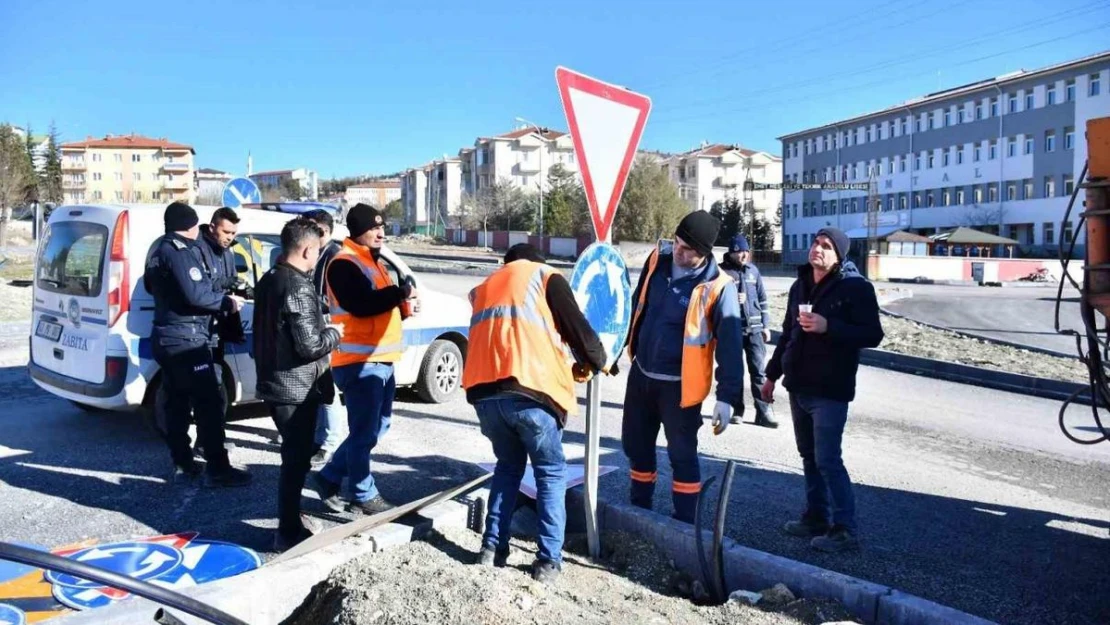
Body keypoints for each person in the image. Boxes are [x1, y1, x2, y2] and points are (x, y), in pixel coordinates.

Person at [463, 243, 608, 585]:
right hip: (531, 392)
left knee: (508, 468)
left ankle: (491, 549)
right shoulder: (544, 276)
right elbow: (577, 328)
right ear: (534, 262)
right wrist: (598, 360)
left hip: (485, 396)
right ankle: (547, 562)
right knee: (550, 473)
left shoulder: (486, 287)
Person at [762, 227, 884, 553]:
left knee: (828, 459)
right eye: (816, 242)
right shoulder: (800, 285)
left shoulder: (855, 288)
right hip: (798, 385)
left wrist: (829, 326)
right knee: (809, 457)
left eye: (826, 246)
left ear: (839, 256)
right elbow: (787, 334)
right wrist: (771, 376)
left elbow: (873, 334)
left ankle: (845, 530)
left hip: (830, 389)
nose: (818, 248)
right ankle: (817, 516)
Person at [621, 211, 745, 524]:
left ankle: (685, 525)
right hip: (642, 375)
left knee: (682, 456)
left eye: (688, 248)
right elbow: (638, 307)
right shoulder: (657, 261)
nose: (678, 250)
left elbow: (731, 347)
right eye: (677, 242)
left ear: (704, 253)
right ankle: (638, 511)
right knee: (636, 446)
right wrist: (615, 348)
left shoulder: (718, 287)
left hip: (680, 387)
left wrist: (728, 397)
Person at [310, 204, 419, 516]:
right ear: (357, 231)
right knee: (364, 431)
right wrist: (397, 295)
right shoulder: (344, 263)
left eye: (382, 226)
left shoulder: (375, 262)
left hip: (381, 358)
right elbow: (360, 305)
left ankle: (330, 477)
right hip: (357, 362)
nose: (380, 232)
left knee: (377, 427)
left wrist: (404, 305)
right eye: (373, 228)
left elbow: (382, 306)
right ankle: (362, 492)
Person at [143, 201, 250, 487]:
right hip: (187, 339)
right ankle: (218, 468)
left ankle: (183, 462)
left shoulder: (156, 250)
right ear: (190, 226)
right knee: (209, 402)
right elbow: (197, 295)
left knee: (176, 402)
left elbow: (152, 288)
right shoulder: (180, 252)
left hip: (166, 336)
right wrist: (228, 302)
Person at [253, 217, 343, 551]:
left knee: (294, 457)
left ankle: (291, 519)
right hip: (296, 388)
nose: (319, 257)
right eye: (318, 251)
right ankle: (288, 531)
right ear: (307, 249)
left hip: (276, 381)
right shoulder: (298, 286)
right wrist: (335, 333)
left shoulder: (270, 278)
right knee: (296, 460)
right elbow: (309, 346)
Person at [719, 233, 778, 428]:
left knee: (759, 372)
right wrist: (732, 300)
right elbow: (714, 301)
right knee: (734, 372)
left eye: (745, 251)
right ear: (731, 253)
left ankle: (764, 413)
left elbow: (762, 300)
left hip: (755, 331)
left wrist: (766, 326)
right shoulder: (722, 273)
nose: (743, 255)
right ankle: (737, 410)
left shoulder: (753, 271)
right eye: (739, 252)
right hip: (732, 330)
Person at [303, 209, 347, 470]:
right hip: (318, 328)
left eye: (312, 229)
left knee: (327, 389)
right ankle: (319, 438)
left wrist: (306, 301)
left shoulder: (336, 257)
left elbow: (336, 300)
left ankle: (329, 443)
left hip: (331, 330)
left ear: (325, 231)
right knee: (318, 388)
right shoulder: (317, 254)